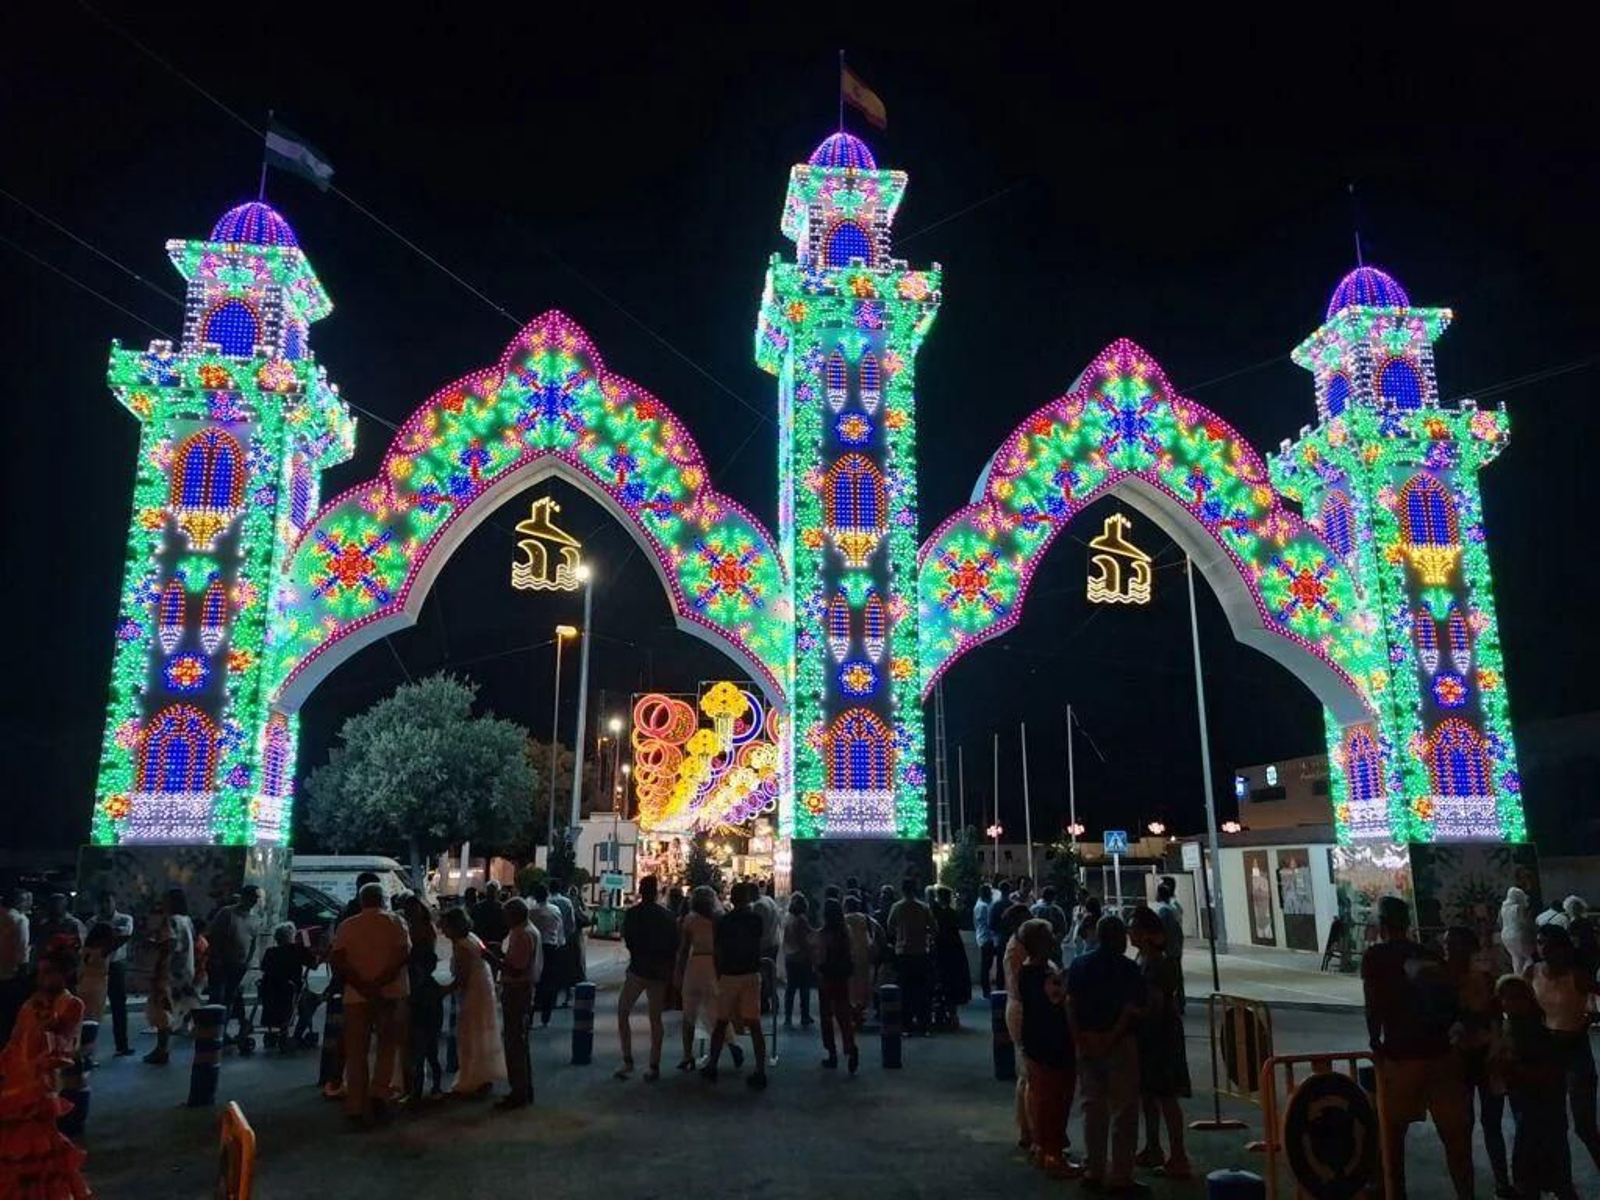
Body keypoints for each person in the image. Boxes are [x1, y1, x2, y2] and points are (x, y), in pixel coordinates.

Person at [1360, 894, 1473, 1199]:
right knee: (1456, 1142)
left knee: (1392, 1140)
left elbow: (1373, 1005)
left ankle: (1395, 1193)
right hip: (1442, 1055)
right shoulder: (1428, 955)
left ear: (1382, 925)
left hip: (1402, 1056)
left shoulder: (1375, 957)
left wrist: (1375, 1043)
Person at [0, 940, 89, 1199]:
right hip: (16, 1079)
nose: (43, 979)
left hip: (43, 1083)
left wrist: (49, 1030)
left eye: (49, 973)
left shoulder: (71, 1004)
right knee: (14, 1141)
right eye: (40, 973)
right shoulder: (31, 1004)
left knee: (38, 1141)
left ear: (65, 974)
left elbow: (67, 1045)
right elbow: (16, 1039)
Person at [1068, 915, 1147, 1193]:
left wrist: (1080, 1039)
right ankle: (1121, 1175)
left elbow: (1071, 1004)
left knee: (1092, 1108)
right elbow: (1131, 1009)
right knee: (1124, 1110)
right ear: (1118, 938)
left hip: (1087, 1042)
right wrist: (1112, 1036)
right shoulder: (1129, 969)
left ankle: (1094, 1169)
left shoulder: (1080, 964)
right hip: (1120, 1043)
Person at [330, 883, 411, 1121]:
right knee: (387, 1046)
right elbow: (402, 955)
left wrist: (361, 984)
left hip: (356, 996)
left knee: (356, 1051)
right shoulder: (396, 922)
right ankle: (380, 1093)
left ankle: (356, 1104)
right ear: (383, 900)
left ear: (361, 900)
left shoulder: (348, 925)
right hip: (390, 993)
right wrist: (379, 983)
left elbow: (338, 958)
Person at [1440, 926, 1511, 1197]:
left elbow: (1494, 1019)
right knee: (1464, 1126)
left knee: (1489, 1123)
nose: (1448, 949)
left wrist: (1497, 1052)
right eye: (1447, 944)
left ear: (1468, 949)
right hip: (1459, 1059)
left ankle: (1501, 1182)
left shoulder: (1480, 980)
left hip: (1483, 1055)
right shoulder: (1442, 980)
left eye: (1453, 945)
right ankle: (1470, 1187)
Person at [1495, 974, 1580, 1200]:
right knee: (1540, 1151)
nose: (1512, 1002)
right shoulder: (1513, 1028)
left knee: (1542, 1151)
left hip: (1541, 1101)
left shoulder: (1529, 1028)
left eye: (1517, 997)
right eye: (1507, 998)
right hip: (1533, 1102)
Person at [1525, 923, 1600, 1173]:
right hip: (1547, 1050)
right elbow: (1522, 1006)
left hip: (1575, 1048)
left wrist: (1590, 1018)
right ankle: (1561, 1180)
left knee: (1584, 1126)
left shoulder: (1575, 976)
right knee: (1553, 1123)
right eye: (1539, 943)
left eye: (1550, 945)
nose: (1543, 949)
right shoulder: (1532, 972)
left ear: (1563, 949)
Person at [1129, 906, 1191, 1180]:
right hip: (1149, 1035)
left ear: (1146, 933)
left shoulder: (1159, 963)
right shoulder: (1144, 958)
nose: (1129, 932)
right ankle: (1153, 1147)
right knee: (1149, 1094)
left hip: (1161, 1035)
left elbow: (1154, 1005)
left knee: (1166, 1095)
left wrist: (1128, 1012)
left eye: (1133, 927)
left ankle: (1178, 1156)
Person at [1017, 918, 1079, 1179]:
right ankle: (1053, 1153)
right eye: (1050, 936)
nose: (1054, 940)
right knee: (1056, 1099)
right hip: (1053, 1044)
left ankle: (1042, 1147)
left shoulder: (1025, 970)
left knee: (1040, 1096)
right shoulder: (1045, 975)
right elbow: (1060, 1002)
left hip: (1034, 1040)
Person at [702, 881, 767, 1089]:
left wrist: (718, 971)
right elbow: (760, 942)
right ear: (747, 899)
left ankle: (712, 1065)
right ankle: (760, 1070)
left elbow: (719, 948)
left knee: (721, 1022)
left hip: (730, 974)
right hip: (751, 973)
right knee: (754, 1024)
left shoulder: (726, 921)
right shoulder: (756, 920)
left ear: (733, 898)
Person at [439, 906, 505, 1098]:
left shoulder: (461, 946)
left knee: (470, 1033)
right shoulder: (472, 938)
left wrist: (442, 992)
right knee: (482, 1030)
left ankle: (472, 1078)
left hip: (473, 991)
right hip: (483, 986)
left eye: (445, 927)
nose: (443, 931)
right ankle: (484, 1075)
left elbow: (462, 977)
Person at [615, 875, 676, 1082]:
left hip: (638, 969)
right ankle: (653, 1064)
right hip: (659, 972)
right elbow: (674, 945)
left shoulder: (633, 914)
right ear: (657, 892)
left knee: (623, 1012)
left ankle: (628, 1060)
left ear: (641, 891)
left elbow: (628, 940)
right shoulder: (667, 916)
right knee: (655, 1019)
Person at [677, 885, 734, 1072]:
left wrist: (678, 971)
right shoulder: (719, 919)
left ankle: (687, 1056)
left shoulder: (690, 919)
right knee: (716, 1011)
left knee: (689, 1013)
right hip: (712, 965)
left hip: (695, 965)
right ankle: (731, 1045)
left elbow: (684, 949)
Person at [143, 888, 197, 1065]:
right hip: (185, 969)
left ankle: (162, 1049)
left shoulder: (171, 920)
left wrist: (159, 960)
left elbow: (169, 943)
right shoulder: (187, 921)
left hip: (169, 971)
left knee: (163, 1009)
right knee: (175, 1007)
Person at [206, 884, 260, 1053]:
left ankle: (221, 1032)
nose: (254, 901)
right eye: (251, 897)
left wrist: (248, 961)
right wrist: (216, 957)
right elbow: (215, 936)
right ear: (244, 897)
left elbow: (253, 942)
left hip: (239, 965)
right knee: (218, 998)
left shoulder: (254, 920)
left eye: (256, 898)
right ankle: (210, 1032)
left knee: (229, 998)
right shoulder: (227, 913)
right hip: (221, 963)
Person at [498, 896, 540, 1110]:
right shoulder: (528, 931)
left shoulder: (522, 934)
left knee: (514, 1041)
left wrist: (493, 958)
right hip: (523, 988)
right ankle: (523, 1088)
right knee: (519, 1042)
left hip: (517, 990)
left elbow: (516, 969)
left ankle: (519, 1091)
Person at [403, 899, 444, 1102]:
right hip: (425, 999)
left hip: (420, 999)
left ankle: (420, 1089)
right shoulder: (424, 931)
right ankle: (427, 1087)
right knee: (426, 1049)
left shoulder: (419, 933)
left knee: (422, 1049)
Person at [812, 897, 858, 1072]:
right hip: (842, 977)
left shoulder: (823, 934)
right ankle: (850, 1046)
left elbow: (821, 958)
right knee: (843, 1015)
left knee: (826, 1017)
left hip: (826, 977)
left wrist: (817, 970)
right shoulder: (845, 931)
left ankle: (832, 1053)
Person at [888, 876, 933, 1035]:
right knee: (921, 990)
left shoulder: (896, 907)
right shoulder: (923, 907)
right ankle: (924, 1025)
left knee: (905, 990)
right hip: (920, 952)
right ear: (915, 889)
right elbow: (934, 928)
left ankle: (906, 1025)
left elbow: (890, 927)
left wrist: (900, 934)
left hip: (903, 953)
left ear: (902, 889)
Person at [258, 922, 314, 1050]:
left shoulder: (270, 951)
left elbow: (263, 968)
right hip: (291, 989)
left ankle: (272, 1033)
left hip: (270, 988)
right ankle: (297, 1036)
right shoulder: (297, 950)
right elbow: (313, 964)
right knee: (309, 1003)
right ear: (291, 936)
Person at [91, 891, 134, 1056]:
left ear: (114, 902)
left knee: (119, 1006)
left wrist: (103, 937)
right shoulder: (92, 922)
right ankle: (88, 1049)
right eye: (102, 902)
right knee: (93, 1007)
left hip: (116, 965)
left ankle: (122, 1045)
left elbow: (123, 935)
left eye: (108, 901)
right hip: (96, 966)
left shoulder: (125, 919)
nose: (105, 906)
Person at [74, 923, 118, 1062]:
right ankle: (87, 1054)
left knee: (82, 1020)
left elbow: (80, 969)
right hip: (98, 987)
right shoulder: (105, 951)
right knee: (93, 1020)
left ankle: (80, 1052)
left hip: (84, 984)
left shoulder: (85, 950)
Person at [527, 882, 566, 1028]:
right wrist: (560, 944)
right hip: (551, 948)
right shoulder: (555, 910)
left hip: (535, 948)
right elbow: (560, 931)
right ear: (547, 895)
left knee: (533, 982)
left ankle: (530, 1017)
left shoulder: (531, 912)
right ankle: (546, 1017)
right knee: (549, 982)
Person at [931, 886, 972, 1029]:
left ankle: (940, 1013)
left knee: (941, 983)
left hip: (940, 950)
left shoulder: (936, 913)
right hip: (954, 951)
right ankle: (953, 1015)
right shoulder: (952, 914)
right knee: (953, 984)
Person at [0, 889, 31, 1048]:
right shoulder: (20, 919)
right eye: (25, 900)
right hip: (10, 975)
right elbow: (22, 949)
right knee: (8, 1014)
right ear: (18, 901)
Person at [842, 895, 876, 1029]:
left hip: (849, 956)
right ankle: (860, 1010)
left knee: (851, 985)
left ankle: (853, 1010)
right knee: (863, 984)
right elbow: (877, 932)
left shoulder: (844, 919)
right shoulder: (865, 918)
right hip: (864, 955)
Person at [782, 892, 815, 1028]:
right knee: (804, 988)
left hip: (790, 956)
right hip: (801, 957)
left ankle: (788, 1016)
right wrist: (811, 952)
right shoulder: (801, 920)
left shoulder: (788, 918)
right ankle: (805, 1016)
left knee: (790, 989)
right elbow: (804, 940)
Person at [1153, 879, 1186, 1013]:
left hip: (1169, 949)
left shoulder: (1163, 911)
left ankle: (1174, 1005)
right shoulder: (1175, 907)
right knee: (1177, 975)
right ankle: (1180, 1002)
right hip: (1176, 946)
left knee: (1170, 978)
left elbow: (1163, 931)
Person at [753, 881, 781, 1013]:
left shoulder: (759, 906)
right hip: (774, 941)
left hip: (764, 944)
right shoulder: (769, 900)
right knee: (770, 974)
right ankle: (774, 1001)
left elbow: (759, 928)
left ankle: (765, 1002)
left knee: (764, 976)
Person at [29, 895, 84, 962]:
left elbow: (81, 948)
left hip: (67, 964)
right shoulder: (44, 925)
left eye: (57, 904)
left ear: (64, 905)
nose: (53, 907)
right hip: (47, 964)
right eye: (52, 905)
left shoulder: (74, 924)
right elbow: (39, 947)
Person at [1500, 886, 1536, 975]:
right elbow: (1524, 921)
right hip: (1519, 934)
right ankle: (1528, 977)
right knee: (1529, 957)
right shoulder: (1519, 907)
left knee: (1516, 958)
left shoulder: (1503, 908)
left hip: (1505, 936)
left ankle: (1517, 977)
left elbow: (1499, 922)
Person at [973, 885, 995, 998]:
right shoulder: (985, 907)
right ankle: (986, 989)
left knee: (986, 964)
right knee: (987, 964)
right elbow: (989, 923)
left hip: (981, 937)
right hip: (988, 937)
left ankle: (986, 989)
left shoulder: (978, 905)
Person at [471, 881, 507, 948]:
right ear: (498, 893)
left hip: (481, 941)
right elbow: (505, 927)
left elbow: (473, 925)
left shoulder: (477, 907)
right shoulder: (503, 907)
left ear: (486, 892)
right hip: (497, 941)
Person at [1071, 894, 1103, 965]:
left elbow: (1081, 933)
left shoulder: (1087, 919)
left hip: (1089, 946)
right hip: (1100, 947)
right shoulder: (1102, 918)